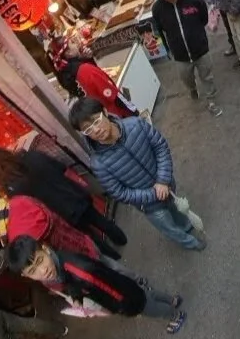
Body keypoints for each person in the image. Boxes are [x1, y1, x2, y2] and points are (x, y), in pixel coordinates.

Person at [68, 100, 206, 251]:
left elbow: (160, 146)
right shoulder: (98, 164)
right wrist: (154, 194)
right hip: (149, 205)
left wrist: (163, 180)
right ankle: (190, 243)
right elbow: (119, 192)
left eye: (96, 121)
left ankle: (186, 225)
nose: (95, 130)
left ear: (105, 112)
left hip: (167, 184)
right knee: (169, 227)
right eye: (87, 129)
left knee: (175, 208)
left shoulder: (135, 125)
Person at [0, 235, 187, 335]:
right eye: (33, 271)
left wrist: (123, 308)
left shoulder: (78, 270)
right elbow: (71, 283)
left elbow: (109, 290)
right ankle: (172, 300)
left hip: (124, 295)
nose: (42, 271)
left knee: (147, 307)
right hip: (125, 287)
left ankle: (175, 315)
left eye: (40, 261)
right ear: (26, 275)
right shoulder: (60, 264)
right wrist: (76, 297)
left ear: (44, 248)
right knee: (148, 294)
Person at [0, 145, 124, 257]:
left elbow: (31, 207)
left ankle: (115, 256)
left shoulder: (11, 188)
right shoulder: (32, 155)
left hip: (61, 214)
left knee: (91, 237)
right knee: (99, 219)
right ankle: (121, 238)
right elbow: (61, 168)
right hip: (73, 195)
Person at [151, 0, 220, 115]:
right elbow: (160, 30)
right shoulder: (157, 9)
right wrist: (169, 49)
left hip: (201, 50)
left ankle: (212, 99)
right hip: (180, 55)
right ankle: (193, 88)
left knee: (207, 76)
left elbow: (204, 19)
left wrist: (196, 36)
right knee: (186, 79)